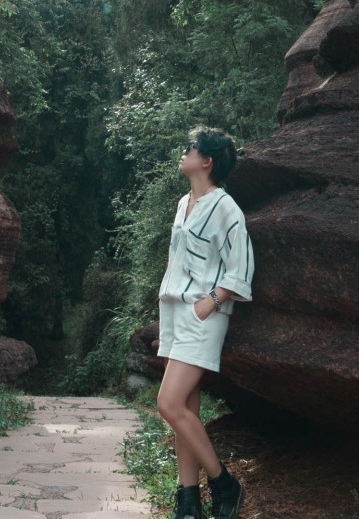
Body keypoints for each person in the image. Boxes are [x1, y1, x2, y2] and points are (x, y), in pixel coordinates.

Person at [155, 127, 253, 519]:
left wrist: (211, 302)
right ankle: (188, 501)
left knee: (169, 403)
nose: (183, 153)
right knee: (187, 407)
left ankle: (224, 484)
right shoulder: (184, 203)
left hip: (202, 314)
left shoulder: (226, 207)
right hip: (174, 310)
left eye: (189, 148)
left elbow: (241, 265)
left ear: (207, 161)